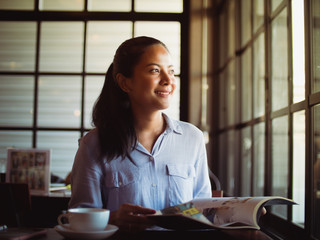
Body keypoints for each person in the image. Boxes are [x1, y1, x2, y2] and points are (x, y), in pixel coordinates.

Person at [68, 36, 212, 232]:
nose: (168, 80)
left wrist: (242, 214)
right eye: (154, 70)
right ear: (125, 83)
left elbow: (204, 211)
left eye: (171, 71)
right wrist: (114, 218)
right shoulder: (93, 144)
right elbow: (80, 217)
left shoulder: (192, 138)